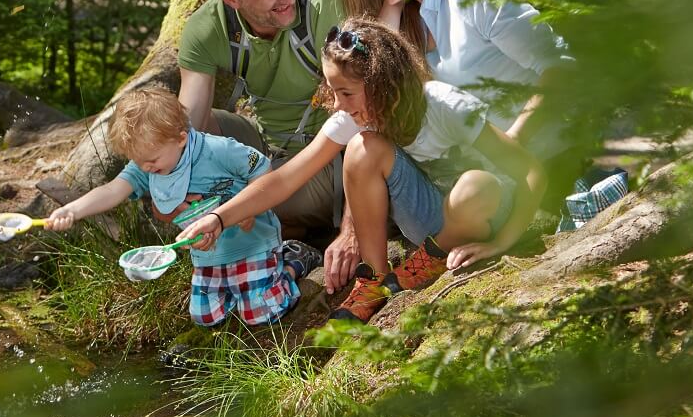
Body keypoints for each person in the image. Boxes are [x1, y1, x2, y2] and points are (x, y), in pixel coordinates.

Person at [177, 17, 546, 324]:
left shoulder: (444, 106)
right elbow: (286, 178)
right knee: (362, 148)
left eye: (347, 93)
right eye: (333, 90)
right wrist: (218, 219)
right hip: (432, 218)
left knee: (474, 185)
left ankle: (436, 254)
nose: (337, 104)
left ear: (384, 85)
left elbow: (530, 170)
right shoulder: (354, 116)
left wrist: (504, 241)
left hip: (485, 212)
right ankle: (375, 277)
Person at [177, 0, 362, 294]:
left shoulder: (325, 5)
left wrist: (351, 230)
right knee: (189, 139)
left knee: (253, 200)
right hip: (265, 148)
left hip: (330, 159)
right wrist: (172, 186)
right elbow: (188, 125)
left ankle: (268, 230)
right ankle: (254, 225)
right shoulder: (209, 26)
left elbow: (368, 118)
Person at [45, 88, 322, 328]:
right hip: (208, 254)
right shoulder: (148, 165)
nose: (146, 168)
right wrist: (73, 210)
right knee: (205, 317)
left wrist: (248, 210)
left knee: (261, 314)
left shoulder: (217, 150)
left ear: (180, 137)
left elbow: (262, 169)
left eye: (151, 160)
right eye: (138, 162)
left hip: (252, 243)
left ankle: (292, 260)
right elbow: (112, 190)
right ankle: (252, 283)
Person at [329, 0, 573, 166]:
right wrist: (393, 2)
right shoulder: (414, 21)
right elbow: (375, 75)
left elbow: (559, 68)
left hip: (550, 161)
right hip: (490, 180)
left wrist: (514, 143)